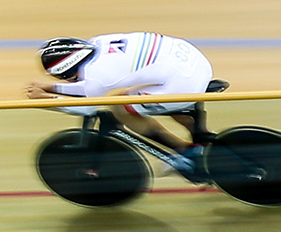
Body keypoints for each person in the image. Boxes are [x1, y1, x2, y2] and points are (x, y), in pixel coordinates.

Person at [24, 34, 216, 180]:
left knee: (121, 107)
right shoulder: (97, 42)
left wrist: (47, 99)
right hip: (192, 61)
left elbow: (87, 107)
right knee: (147, 93)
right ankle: (203, 140)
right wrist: (49, 87)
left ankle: (185, 150)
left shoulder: (98, 76)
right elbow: (86, 88)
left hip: (183, 82)